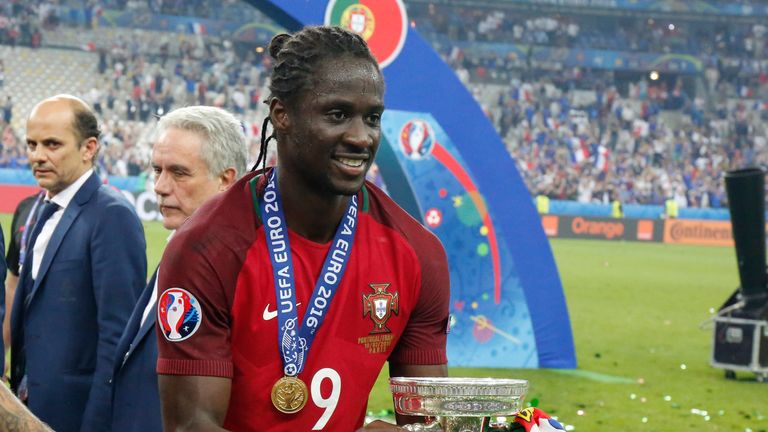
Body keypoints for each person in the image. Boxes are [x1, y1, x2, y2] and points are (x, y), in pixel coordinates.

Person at [156, 26, 451, 431]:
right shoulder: (207, 249)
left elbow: (428, 421)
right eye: (338, 114)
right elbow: (190, 426)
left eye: (372, 118)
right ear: (282, 115)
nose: (361, 137)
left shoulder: (418, 254)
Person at [10, 94, 147, 432]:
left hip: (76, 416)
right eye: (32, 144)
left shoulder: (112, 216)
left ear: (89, 148)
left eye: (52, 144)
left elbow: (117, 340)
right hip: (31, 404)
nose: (38, 156)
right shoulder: (42, 207)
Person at [110, 105, 248, 432]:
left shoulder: (242, 267)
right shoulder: (182, 247)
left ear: (225, 180)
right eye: (157, 170)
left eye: (178, 172)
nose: (159, 185)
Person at [3, 191, 45, 368]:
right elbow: (13, 284)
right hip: (23, 355)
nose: (38, 161)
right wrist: (3, 349)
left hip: (69, 364)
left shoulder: (105, 212)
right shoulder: (26, 207)